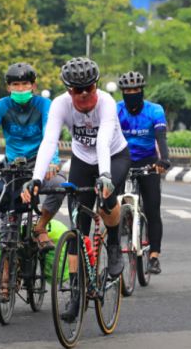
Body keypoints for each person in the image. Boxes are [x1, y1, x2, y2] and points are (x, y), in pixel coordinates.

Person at [21, 57, 130, 321]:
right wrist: (36, 179)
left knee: (106, 201)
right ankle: (76, 294)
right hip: (82, 159)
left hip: (114, 156)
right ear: (68, 90)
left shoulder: (105, 103)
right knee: (78, 227)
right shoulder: (60, 105)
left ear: (96, 86)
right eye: (76, 90)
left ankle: (114, 244)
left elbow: (103, 142)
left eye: (89, 88)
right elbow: (49, 141)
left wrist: (105, 178)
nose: (83, 95)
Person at [0, 62, 65, 252]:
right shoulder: (1, 106)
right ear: (8, 87)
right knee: (7, 233)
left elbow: (50, 133)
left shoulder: (44, 105)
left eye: (25, 84)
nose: (20, 89)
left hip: (39, 165)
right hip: (12, 168)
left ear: (33, 86)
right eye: (15, 85)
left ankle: (40, 227)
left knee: (59, 185)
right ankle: (6, 277)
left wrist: (53, 161)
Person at [117, 71, 171, 274]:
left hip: (149, 162)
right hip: (122, 159)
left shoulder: (154, 110)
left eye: (135, 90)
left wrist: (163, 160)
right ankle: (120, 226)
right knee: (113, 199)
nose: (132, 93)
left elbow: (161, 137)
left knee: (152, 207)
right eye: (127, 91)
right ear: (122, 93)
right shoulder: (116, 110)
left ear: (142, 91)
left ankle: (154, 255)